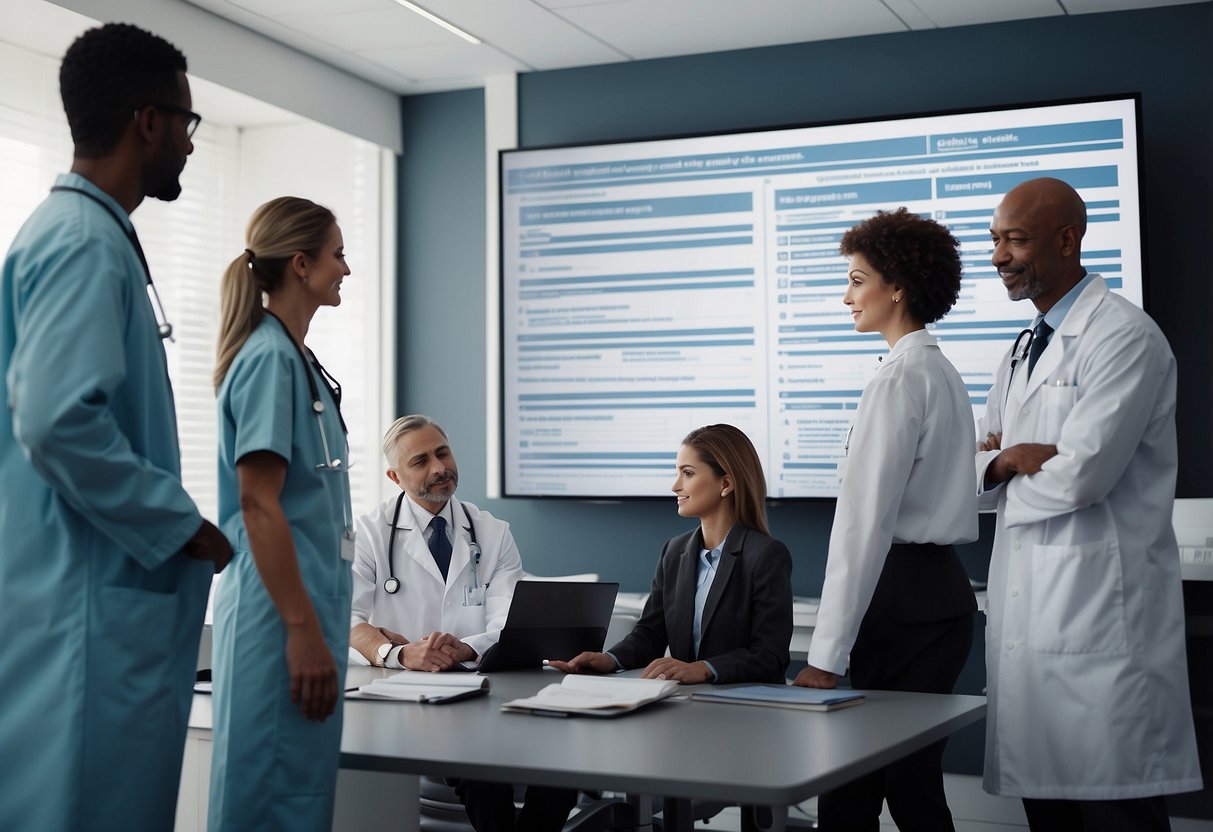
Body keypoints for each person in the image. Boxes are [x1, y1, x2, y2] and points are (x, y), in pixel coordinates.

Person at [0, 23, 232, 831]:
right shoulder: (82, 244)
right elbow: (58, 422)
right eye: (187, 125)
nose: (191, 146)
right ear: (147, 121)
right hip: (88, 616)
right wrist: (178, 524)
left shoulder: (77, 235)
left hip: (85, 603)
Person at [977, 177, 1201, 831]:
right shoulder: (1021, 349)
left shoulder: (1122, 337)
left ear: (1066, 239)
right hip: (1030, 627)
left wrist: (1001, 474)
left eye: (1013, 239)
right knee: (1047, 814)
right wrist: (1003, 462)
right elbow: (974, 469)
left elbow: (1081, 480)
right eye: (994, 240)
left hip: (1100, 626)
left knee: (1117, 815)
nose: (998, 257)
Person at [793, 208, 978, 832]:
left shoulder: (898, 379)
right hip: (940, 596)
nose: (846, 296)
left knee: (852, 787)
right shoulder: (941, 371)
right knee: (911, 782)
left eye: (856, 279)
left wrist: (825, 657)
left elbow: (862, 525)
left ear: (896, 286)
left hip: (899, 599)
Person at [349, 414, 576, 832]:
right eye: (420, 461)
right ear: (395, 476)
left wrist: (467, 648)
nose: (439, 467)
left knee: (565, 763)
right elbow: (347, 620)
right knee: (480, 770)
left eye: (442, 452)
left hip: (483, 695)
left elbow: (511, 617)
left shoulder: (491, 531)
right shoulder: (367, 533)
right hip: (403, 702)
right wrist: (399, 654)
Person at [208, 196, 354, 831]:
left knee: (296, 798)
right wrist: (300, 631)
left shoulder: (297, 361)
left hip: (307, 618)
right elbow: (257, 503)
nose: (346, 269)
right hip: (279, 626)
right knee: (269, 803)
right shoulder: (269, 359)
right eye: (337, 255)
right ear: (301, 264)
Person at [553, 423, 792, 686]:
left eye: (687, 473)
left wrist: (705, 669)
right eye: (677, 473)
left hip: (744, 709)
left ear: (725, 483)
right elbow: (650, 634)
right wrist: (610, 660)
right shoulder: (674, 551)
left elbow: (770, 656)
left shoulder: (766, 555)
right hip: (684, 704)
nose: (675, 486)